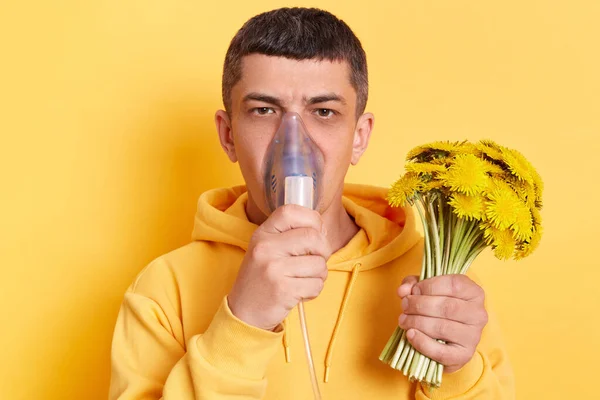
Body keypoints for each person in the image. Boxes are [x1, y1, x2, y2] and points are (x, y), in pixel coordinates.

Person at [109, 7, 514, 399]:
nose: (293, 144)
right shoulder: (164, 291)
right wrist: (241, 325)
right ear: (228, 134)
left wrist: (458, 373)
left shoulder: (437, 283)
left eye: (323, 111)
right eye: (264, 110)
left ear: (359, 136)